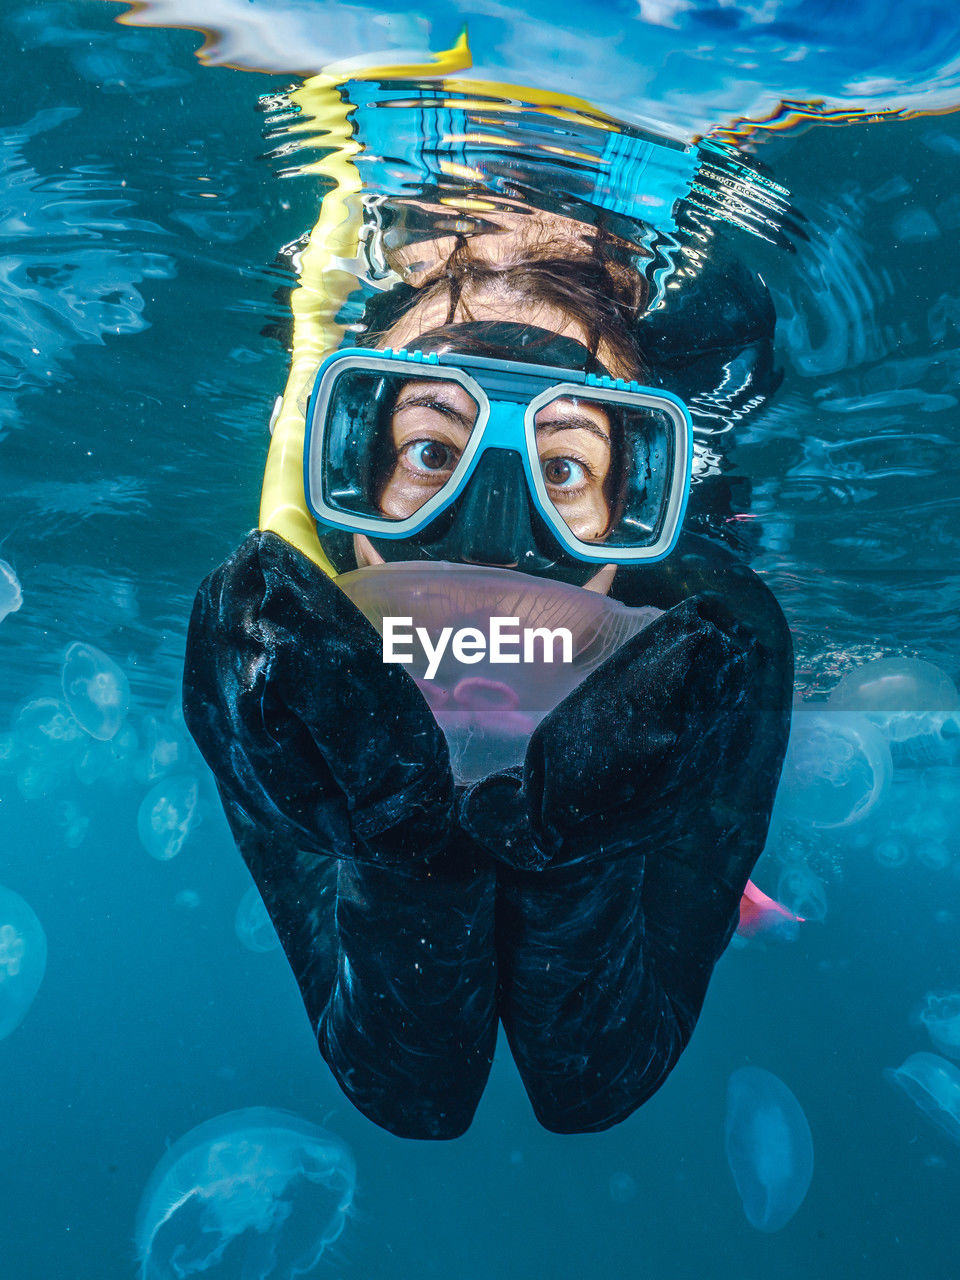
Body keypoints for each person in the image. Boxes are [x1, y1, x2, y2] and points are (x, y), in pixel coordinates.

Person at [182, 116, 793, 1140]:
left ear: (637, 503)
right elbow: (405, 1087)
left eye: (562, 470)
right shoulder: (278, 651)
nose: (495, 546)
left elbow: (597, 1080)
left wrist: (585, 854)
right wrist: (395, 847)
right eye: (430, 452)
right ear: (349, 473)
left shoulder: (712, 645)